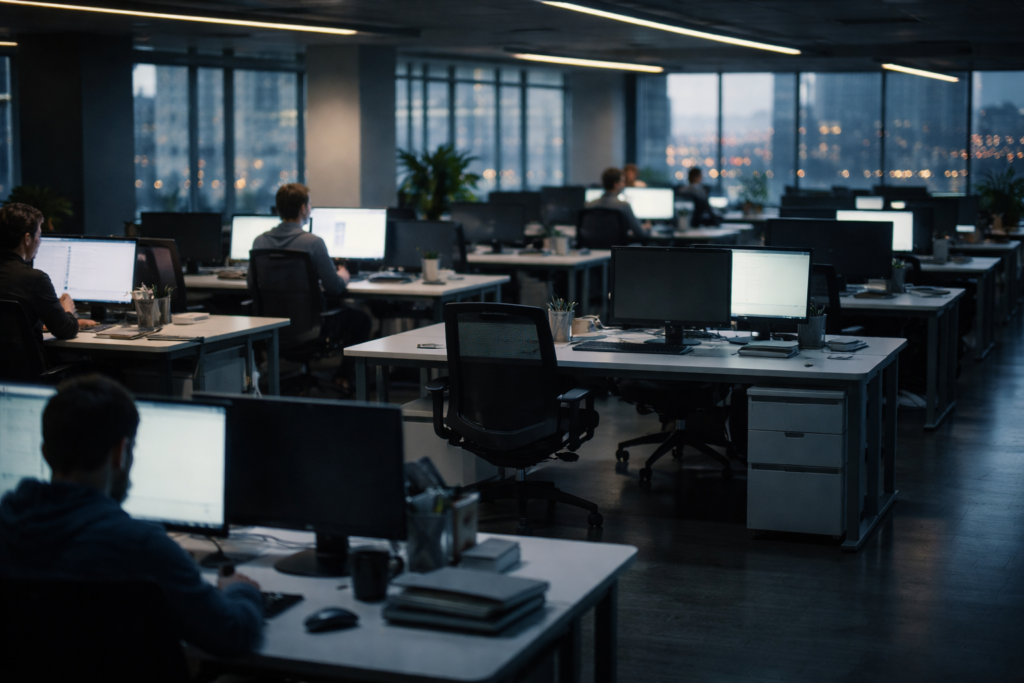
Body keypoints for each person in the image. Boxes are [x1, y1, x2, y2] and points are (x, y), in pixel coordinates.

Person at [0, 375, 263, 656]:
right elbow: (235, 634)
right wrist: (240, 591)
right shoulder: (141, 547)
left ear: (45, 452)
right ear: (121, 453)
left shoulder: (7, 524)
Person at [247, 183, 371, 391]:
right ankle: (344, 377)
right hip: (308, 330)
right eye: (310, 204)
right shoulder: (313, 242)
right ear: (304, 209)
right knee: (362, 321)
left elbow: (252, 286)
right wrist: (343, 275)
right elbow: (334, 287)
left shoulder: (259, 242)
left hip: (272, 328)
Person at [0, 203, 96, 358]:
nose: (40, 241)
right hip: (26, 375)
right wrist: (66, 310)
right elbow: (66, 331)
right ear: (27, 238)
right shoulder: (34, 279)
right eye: (39, 235)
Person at [585, 167, 643, 237]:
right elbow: (639, 233)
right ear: (616, 184)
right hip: (616, 247)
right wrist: (648, 230)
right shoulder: (624, 206)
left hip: (593, 246)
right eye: (622, 182)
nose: (624, 185)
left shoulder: (589, 205)